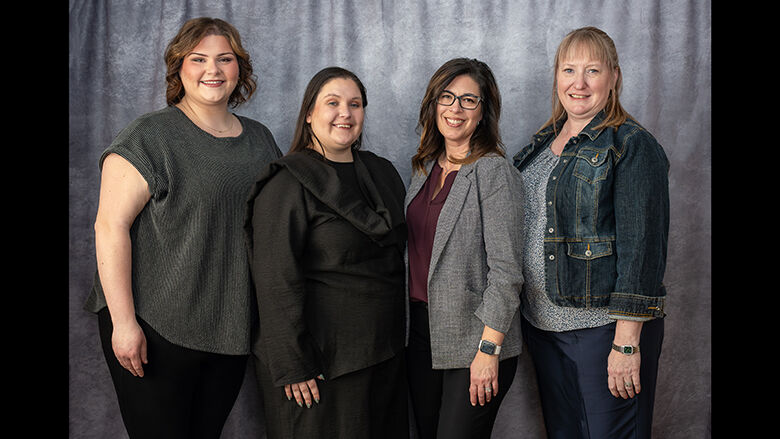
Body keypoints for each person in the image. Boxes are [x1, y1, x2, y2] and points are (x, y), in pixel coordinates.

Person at [84, 17, 282, 439]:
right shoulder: (150, 136)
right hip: (153, 324)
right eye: (199, 59)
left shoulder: (261, 141)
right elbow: (110, 227)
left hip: (228, 327)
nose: (213, 70)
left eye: (225, 59)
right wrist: (124, 323)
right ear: (179, 68)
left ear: (239, 68)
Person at [512, 26, 669, 439]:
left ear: (614, 76)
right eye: (569, 70)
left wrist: (626, 343)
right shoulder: (541, 144)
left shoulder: (631, 145)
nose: (578, 83)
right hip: (544, 330)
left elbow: (642, 249)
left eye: (592, 71)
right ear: (556, 76)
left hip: (603, 333)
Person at [244, 66, 409, 438]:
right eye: (332, 103)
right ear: (309, 113)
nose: (345, 113)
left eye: (355, 104)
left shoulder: (383, 173)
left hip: (383, 355)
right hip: (319, 366)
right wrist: (293, 363)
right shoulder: (286, 183)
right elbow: (274, 280)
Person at [405, 57, 525, 439]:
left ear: (483, 112)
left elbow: (507, 273)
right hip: (421, 335)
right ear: (433, 104)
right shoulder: (424, 168)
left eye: (468, 100)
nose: (455, 108)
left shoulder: (493, 172)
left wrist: (488, 350)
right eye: (447, 97)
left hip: (476, 341)